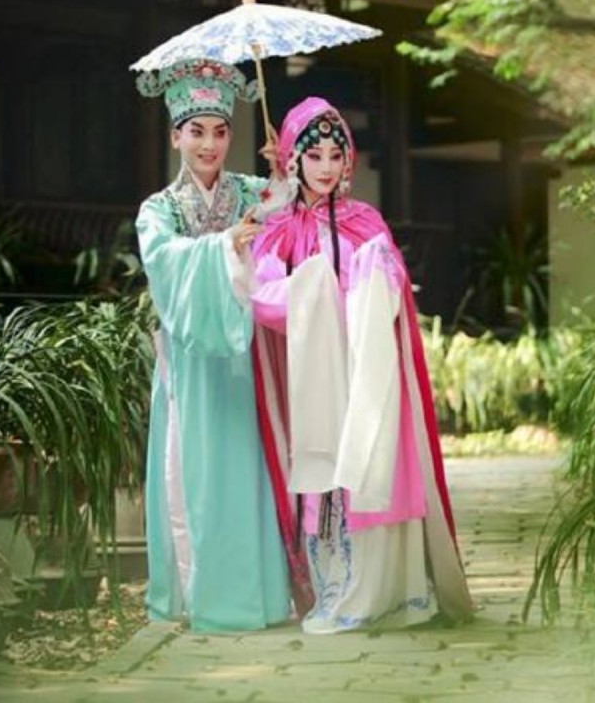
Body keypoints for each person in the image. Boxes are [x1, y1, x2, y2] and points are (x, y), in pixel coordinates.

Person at [250, 97, 475, 633]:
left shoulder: (366, 221)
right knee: (325, 478)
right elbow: (262, 296)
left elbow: (392, 285)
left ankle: (391, 593)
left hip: (366, 371)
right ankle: (336, 593)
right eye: (314, 156)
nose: (326, 167)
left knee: (373, 465)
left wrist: (374, 276)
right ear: (293, 159)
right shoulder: (279, 228)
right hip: (315, 377)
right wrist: (312, 290)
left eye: (336, 155)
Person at [132, 59, 303, 632]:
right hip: (191, 362)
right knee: (196, 474)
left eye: (220, 131)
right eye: (197, 131)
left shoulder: (252, 192)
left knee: (250, 470)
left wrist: (285, 173)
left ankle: (261, 597)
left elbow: (293, 218)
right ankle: (199, 595)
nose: (209, 144)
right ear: (175, 136)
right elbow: (165, 261)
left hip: (246, 356)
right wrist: (225, 244)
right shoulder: (158, 210)